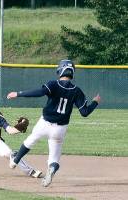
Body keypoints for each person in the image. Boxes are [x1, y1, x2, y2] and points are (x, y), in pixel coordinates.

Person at [7, 59, 101, 187]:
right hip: (60, 129)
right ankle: (51, 169)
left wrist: (18, 94)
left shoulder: (54, 84)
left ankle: (15, 160)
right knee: (54, 158)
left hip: (45, 123)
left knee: (31, 140)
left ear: (60, 70)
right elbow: (84, 112)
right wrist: (95, 102)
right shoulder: (76, 90)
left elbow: (39, 93)